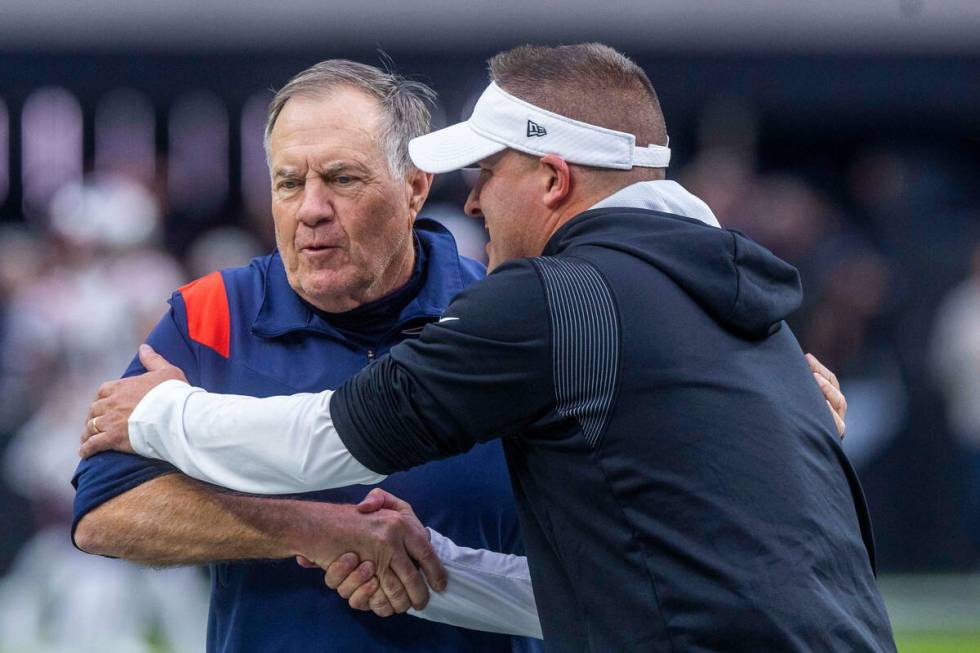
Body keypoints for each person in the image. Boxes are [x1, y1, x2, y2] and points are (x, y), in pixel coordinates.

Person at [81, 44, 875, 652]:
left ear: (554, 179)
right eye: (289, 182)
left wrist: (160, 414)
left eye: (343, 178)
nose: (475, 195)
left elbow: (332, 439)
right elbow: (599, 583)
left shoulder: (535, 303)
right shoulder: (726, 306)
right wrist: (419, 568)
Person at [72, 60, 544, 652]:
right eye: (289, 183)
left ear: (415, 187)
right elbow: (103, 514)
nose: (311, 209)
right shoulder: (213, 314)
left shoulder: (503, 319)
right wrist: (316, 529)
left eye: (342, 179)